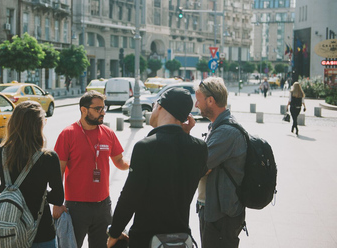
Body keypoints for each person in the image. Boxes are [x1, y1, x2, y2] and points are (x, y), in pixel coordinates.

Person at [106, 88, 208, 248]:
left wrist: (115, 232)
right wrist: (185, 134)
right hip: (180, 238)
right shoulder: (200, 148)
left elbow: (129, 197)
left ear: (160, 107)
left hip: (146, 239)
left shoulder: (146, 147)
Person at [53, 91, 130, 248]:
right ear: (84, 110)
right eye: (98, 109)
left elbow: (120, 162)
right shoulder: (68, 134)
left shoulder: (107, 133)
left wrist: (136, 163)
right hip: (75, 207)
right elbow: (58, 171)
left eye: (104, 108)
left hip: (103, 206)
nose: (103, 113)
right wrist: (57, 203)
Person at [0, 101, 64, 248]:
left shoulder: (3, 152)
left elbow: (4, 187)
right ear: (38, 125)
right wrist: (41, 193)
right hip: (41, 230)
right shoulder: (48, 157)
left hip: (11, 229)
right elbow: (58, 197)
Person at [195, 77, 247, 248]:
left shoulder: (225, 132)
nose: (196, 105)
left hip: (221, 215)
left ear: (210, 101)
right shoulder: (218, 127)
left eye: (198, 100)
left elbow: (199, 167)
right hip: (216, 210)